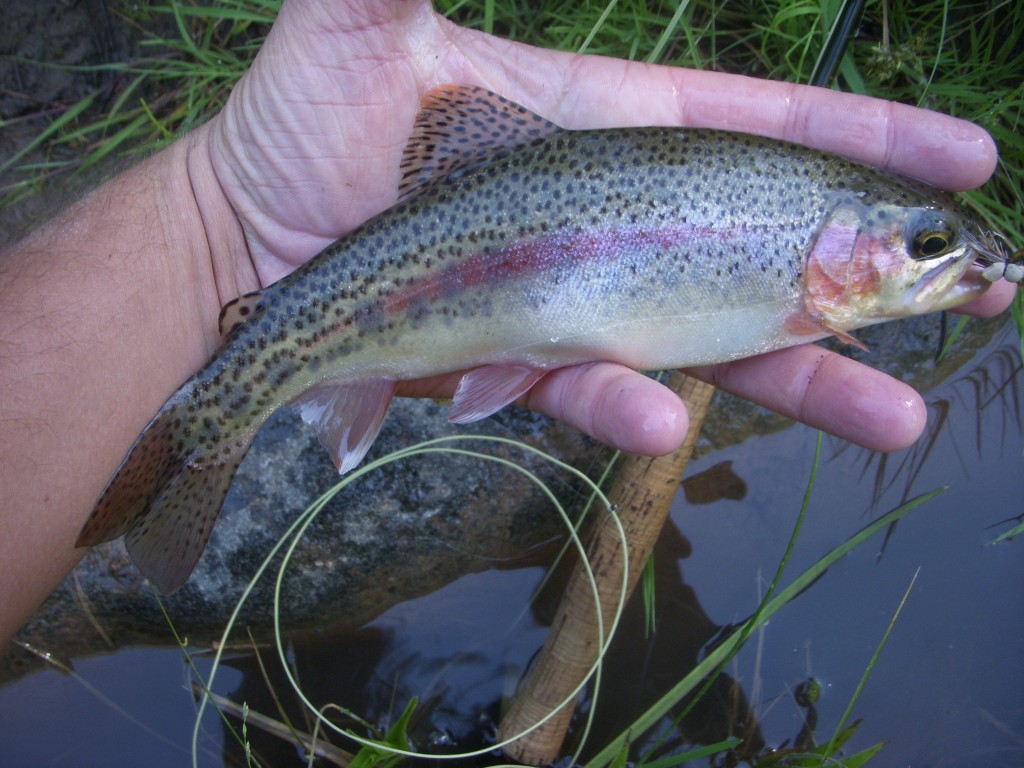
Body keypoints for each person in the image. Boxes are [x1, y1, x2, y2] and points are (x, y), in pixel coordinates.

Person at [0, 0, 1014, 646]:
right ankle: (199, 436)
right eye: (927, 243)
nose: (952, 263)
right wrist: (219, 213)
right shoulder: (794, 284)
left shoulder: (806, 292)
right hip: (403, 273)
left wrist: (212, 220)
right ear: (840, 237)